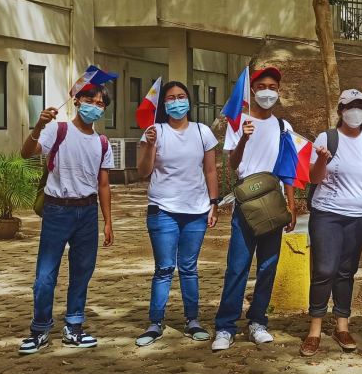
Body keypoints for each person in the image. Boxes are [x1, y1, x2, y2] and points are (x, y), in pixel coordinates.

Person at [19, 80, 114, 355]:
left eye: (100, 104)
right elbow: (26, 153)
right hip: (57, 210)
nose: (94, 107)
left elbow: (104, 184)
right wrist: (38, 126)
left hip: (88, 212)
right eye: (90, 101)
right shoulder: (57, 131)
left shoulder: (102, 142)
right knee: (45, 275)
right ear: (76, 101)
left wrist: (107, 222)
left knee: (82, 273)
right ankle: (39, 330)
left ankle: (74, 327)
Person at [215, 67, 296, 351]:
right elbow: (233, 165)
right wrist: (245, 138)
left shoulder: (284, 127)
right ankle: (225, 326)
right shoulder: (239, 122)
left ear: (279, 91)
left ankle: (258, 322)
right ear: (252, 91)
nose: (266, 91)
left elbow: (288, 170)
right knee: (237, 267)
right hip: (245, 206)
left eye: (272, 86)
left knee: (268, 266)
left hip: (273, 205)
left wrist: (292, 206)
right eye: (260, 85)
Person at [135, 81, 219, 347]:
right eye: (170, 98)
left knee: (189, 268)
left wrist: (214, 203)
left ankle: (192, 321)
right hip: (162, 209)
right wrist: (149, 145)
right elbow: (143, 171)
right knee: (164, 268)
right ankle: (155, 323)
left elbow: (210, 170)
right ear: (164, 104)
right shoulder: (154, 131)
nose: (176, 102)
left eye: (181, 96)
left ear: (189, 101)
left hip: (196, 210)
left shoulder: (202, 131)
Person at [302, 89, 362, 357]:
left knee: (347, 271)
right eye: (350, 106)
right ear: (340, 111)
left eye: (360, 106)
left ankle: (342, 326)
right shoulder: (327, 138)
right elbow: (313, 178)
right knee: (324, 269)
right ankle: (314, 330)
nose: (355, 111)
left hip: (359, 216)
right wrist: (322, 160)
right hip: (326, 214)